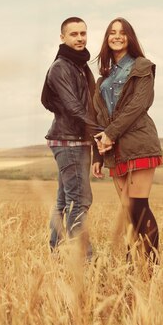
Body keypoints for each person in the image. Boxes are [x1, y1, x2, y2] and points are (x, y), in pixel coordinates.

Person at [91, 17, 162, 264]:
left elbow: (138, 105)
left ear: (129, 37)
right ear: (107, 39)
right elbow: (98, 117)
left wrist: (111, 134)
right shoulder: (104, 78)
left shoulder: (142, 66)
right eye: (112, 32)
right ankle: (133, 266)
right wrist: (98, 154)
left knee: (138, 207)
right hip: (114, 149)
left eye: (122, 32)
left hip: (138, 142)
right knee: (127, 211)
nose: (117, 36)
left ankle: (151, 266)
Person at [41, 16, 100, 259]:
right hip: (70, 141)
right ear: (62, 37)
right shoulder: (61, 67)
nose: (80, 38)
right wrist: (101, 132)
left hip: (75, 139)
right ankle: (84, 261)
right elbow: (74, 107)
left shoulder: (79, 65)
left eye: (83, 33)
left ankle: (55, 254)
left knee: (66, 200)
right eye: (74, 34)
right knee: (80, 201)